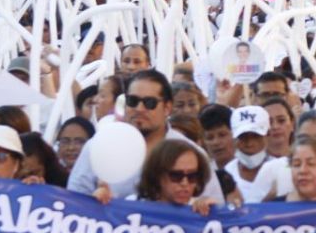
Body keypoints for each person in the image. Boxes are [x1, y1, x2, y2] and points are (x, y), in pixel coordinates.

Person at [69, 70, 223, 203]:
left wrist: (200, 204)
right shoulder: (99, 146)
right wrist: (95, 202)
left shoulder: (192, 154)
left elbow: (214, 209)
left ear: (167, 107)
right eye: (133, 101)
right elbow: (74, 201)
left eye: (149, 103)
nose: (139, 109)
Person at [224, 106, 272, 203]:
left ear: (268, 134)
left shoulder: (281, 170)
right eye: (243, 137)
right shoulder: (226, 174)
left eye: (255, 136)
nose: (249, 143)